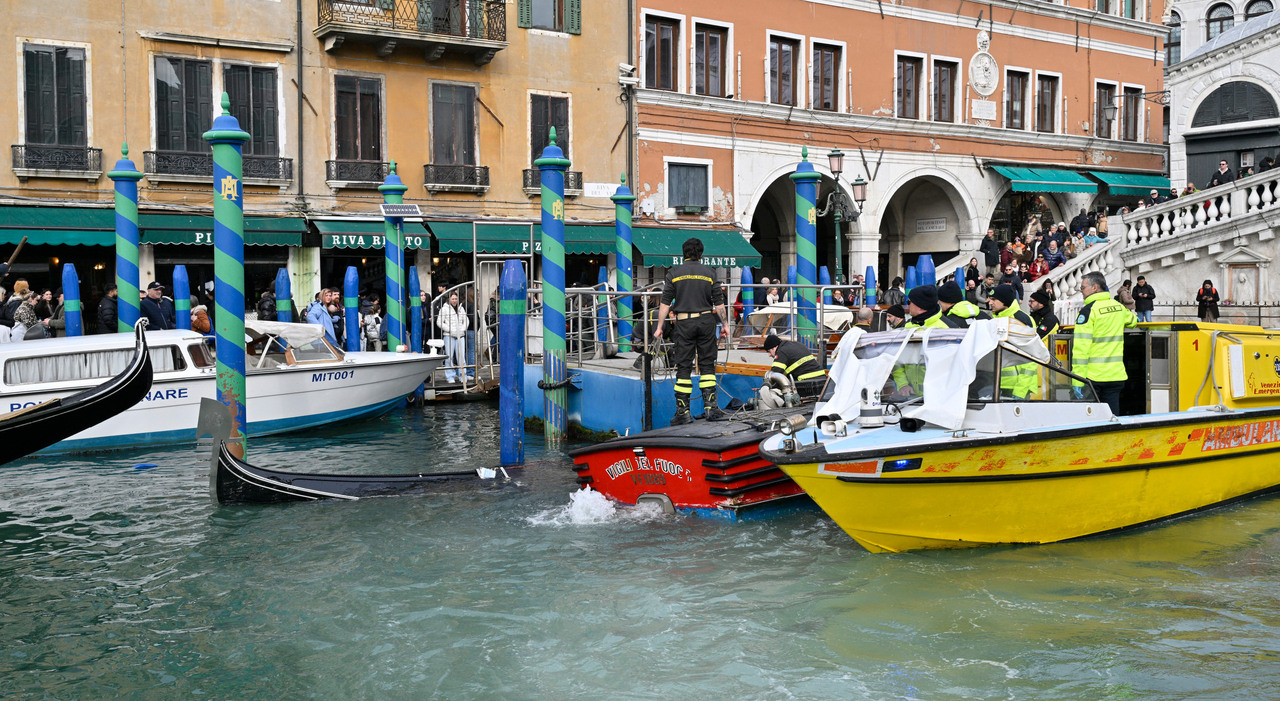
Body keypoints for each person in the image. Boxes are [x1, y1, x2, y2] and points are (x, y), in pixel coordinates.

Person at [653, 237, 729, 425]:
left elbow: (664, 303)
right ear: (701, 254)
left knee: (684, 366)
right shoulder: (710, 273)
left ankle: (683, 412)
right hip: (706, 321)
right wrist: (726, 325)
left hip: (684, 324)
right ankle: (711, 409)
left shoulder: (674, 273)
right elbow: (719, 303)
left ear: (683, 253)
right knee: (707, 365)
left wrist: (659, 327)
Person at [1071, 271, 1137, 416]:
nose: (1081, 291)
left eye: (1083, 288)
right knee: (1112, 419)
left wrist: (1077, 381)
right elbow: (1133, 321)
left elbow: (1081, 350)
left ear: (1094, 288)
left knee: (1091, 422)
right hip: (1116, 375)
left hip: (1094, 379)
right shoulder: (1118, 307)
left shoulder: (1088, 312)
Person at [987, 284, 1037, 398]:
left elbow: (1031, 357)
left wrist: (1021, 389)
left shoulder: (1021, 319)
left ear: (1004, 301)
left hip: (1017, 387)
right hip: (999, 385)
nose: (990, 303)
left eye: (994, 299)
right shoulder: (996, 319)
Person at [762, 334, 827, 404]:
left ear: (775, 347)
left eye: (769, 351)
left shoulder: (781, 352)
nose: (769, 355)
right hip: (822, 379)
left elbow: (774, 375)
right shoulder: (797, 345)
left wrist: (766, 387)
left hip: (806, 382)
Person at [437, 291, 469, 383]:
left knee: (461, 357)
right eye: (453, 299)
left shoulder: (461, 308)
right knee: (449, 357)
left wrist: (463, 329)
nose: (454, 301)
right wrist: (450, 329)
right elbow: (439, 322)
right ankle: (450, 376)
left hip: (460, 335)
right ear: (449, 299)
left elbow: (466, 320)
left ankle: (462, 375)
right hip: (449, 335)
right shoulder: (444, 309)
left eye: (456, 299)